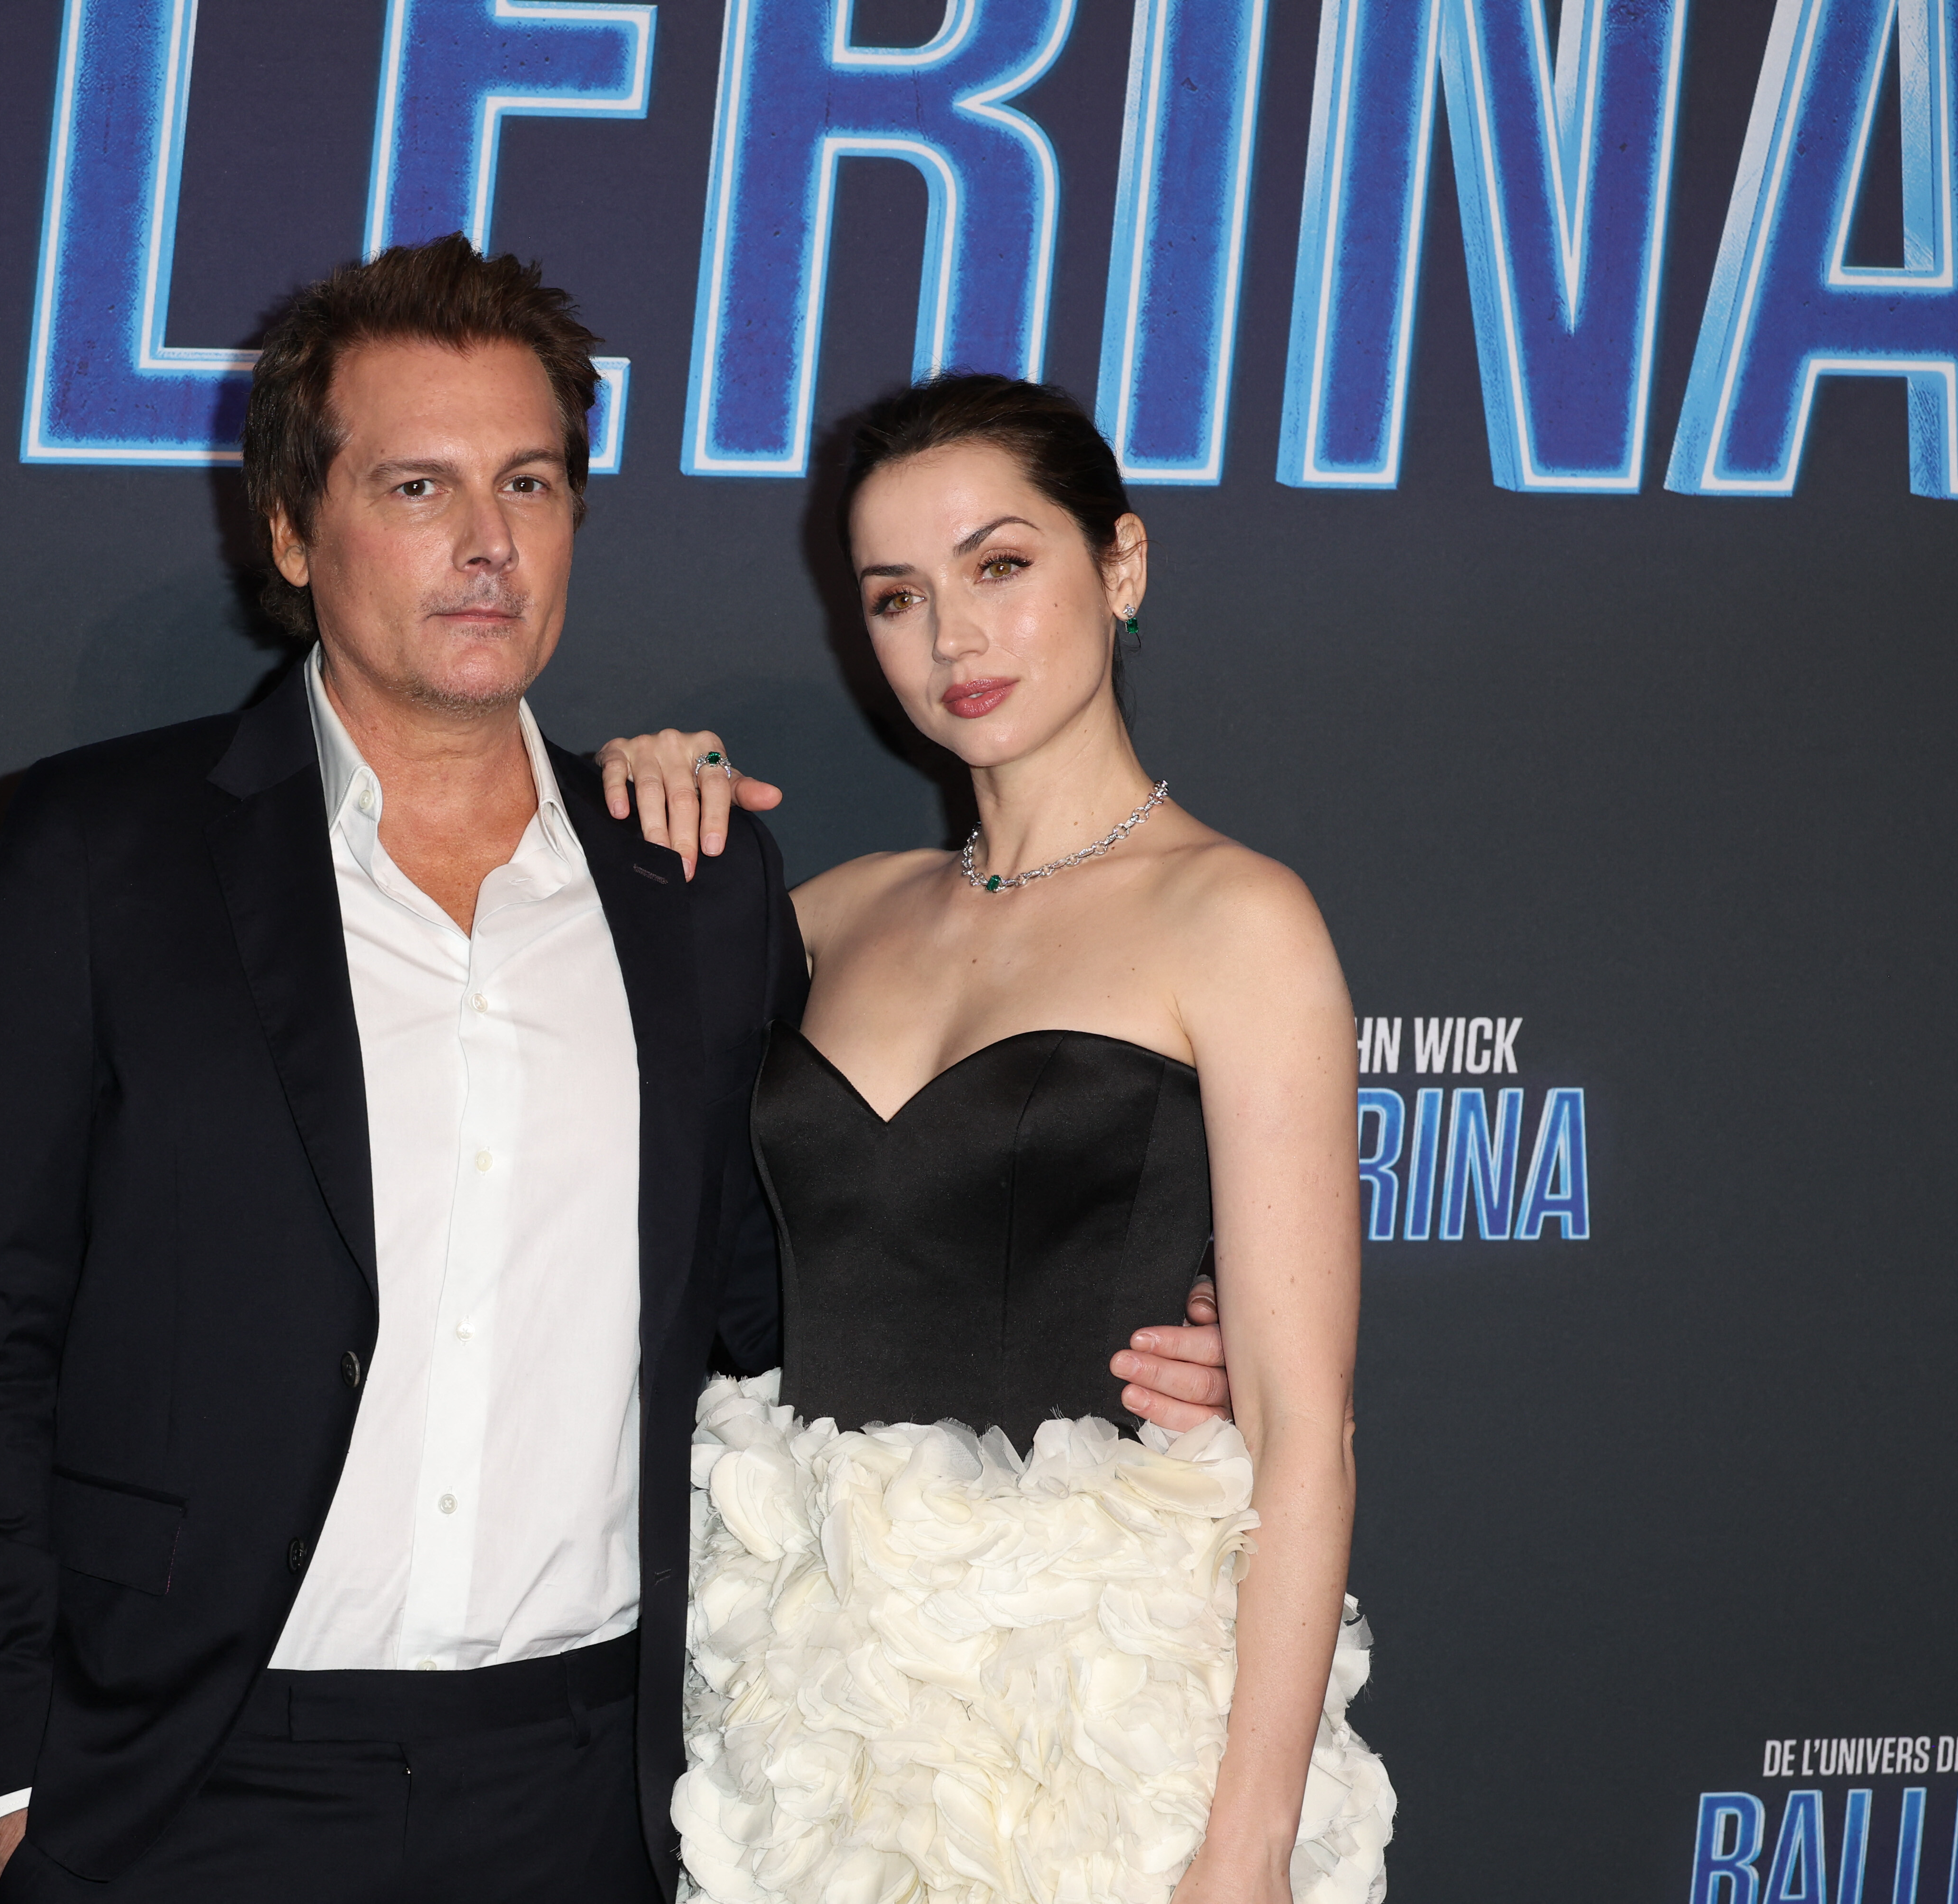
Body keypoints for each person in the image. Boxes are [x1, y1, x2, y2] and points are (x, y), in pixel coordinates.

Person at [0, 239, 1233, 1904]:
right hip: (181, 1788)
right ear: (293, 531)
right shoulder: (96, 855)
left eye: (527, 481)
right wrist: (9, 1795)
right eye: (418, 486)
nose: (486, 542)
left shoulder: (692, 883)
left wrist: (1122, 1350)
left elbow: (790, 1302)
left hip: (587, 1797)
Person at [595, 374, 1394, 1904]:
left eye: (1001, 566)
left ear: (1122, 564)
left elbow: (1307, 1434)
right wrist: (633, 805)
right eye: (897, 597)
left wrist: (1246, 1846)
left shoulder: (1238, 919)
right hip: (816, 1701)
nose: (953, 639)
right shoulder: (827, 915)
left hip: (1106, 1719)